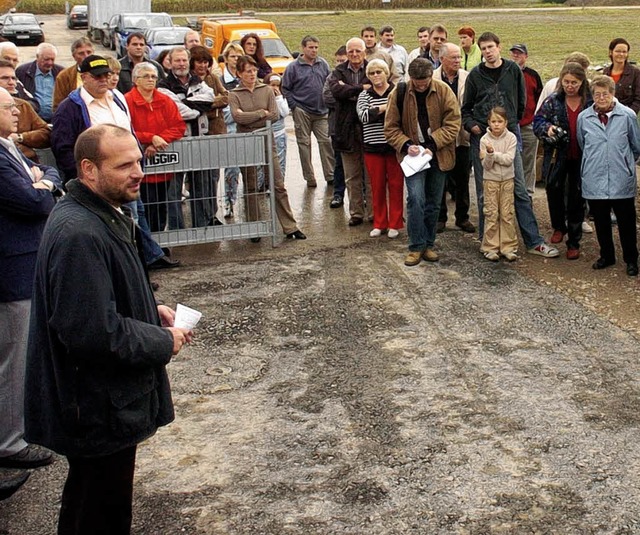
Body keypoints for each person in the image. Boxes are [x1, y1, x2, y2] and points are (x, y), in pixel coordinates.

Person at [24, 124, 194, 534]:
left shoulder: (101, 214)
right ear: (89, 170)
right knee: (99, 509)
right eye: (124, 166)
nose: (138, 172)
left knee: (94, 499)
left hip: (103, 402)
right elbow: (91, 331)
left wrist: (149, 308)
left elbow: (101, 293)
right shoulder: (80, 232)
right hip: (96, 406)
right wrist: (162, 341)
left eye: (138, 160)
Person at [51, 54, 178, 271]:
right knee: (121, 226)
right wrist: (86, 182)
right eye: (98, 76)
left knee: (136, 218)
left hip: (127, 175)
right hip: (101, 183)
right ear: (84, 78)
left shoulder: (117, 97)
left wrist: (137, 164)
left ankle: (144, 263)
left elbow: (129, 131)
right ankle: (136, 267)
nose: (104, 80)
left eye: (107, 75)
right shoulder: (70, 108)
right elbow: (63, 148)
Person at [0, 86, 59, 478]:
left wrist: (43, 179)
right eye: (8, 107)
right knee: (13, 358)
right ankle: (9, 442)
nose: (17, 112)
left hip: (25, 264)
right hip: (12, 272)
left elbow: (48, 173)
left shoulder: (8, 147)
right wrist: (42, 186)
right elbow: (33, 202)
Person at [461, 31, 559, 258]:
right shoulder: (475, 75)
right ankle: (489, 242)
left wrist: (511, 124)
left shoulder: (512, 70)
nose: (488, 52)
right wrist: (473, 126)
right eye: (483, 48)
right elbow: (466, 109)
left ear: (499, 47)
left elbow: (522, 100)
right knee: (486, 191)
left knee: (519, 190)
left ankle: (533, 242)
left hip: (509, 134)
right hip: (483, 138)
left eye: (491, 47)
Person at [384, 58, 460, 266]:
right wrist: (407, 144)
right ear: (410, 78)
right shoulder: (398, 93)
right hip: (413, 159)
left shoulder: (443, 91)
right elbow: (390, 128)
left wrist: (434, 144)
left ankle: (428, 244)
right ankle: (415, 246)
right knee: (415, 199)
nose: (421, 85)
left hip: (438, 155)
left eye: (425, 81)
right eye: (417, 82)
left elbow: (454, 123)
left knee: (434, 203)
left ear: (430, 76)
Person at [228, 55, 306, 241]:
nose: (252, 74)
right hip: (246, 140)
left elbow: (273, 114)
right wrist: (258, 113)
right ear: (239, 73)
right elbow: (237, 117)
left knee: (277, 182)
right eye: (248, 71)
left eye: (254, 70)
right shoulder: (234, 94)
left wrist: (251, 116)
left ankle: (289, 226)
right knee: (251, 184)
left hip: (266, 137)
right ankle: (255, 227)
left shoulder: (266, 90)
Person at [577, 75, 640, 276]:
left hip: (621, 178)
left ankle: (631, 259)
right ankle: (607, 255)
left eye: (605, 94)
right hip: (595, 177)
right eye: (597, 94)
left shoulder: (628, 115)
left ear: (613, 94)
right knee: (601, 221)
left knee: (626, 222)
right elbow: (582, 144)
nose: (601, 98)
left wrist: (624, 162)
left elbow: (635, 146)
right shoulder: (584, 118)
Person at [534, 62, 592, 260]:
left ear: (582, 82)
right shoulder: (553, 100)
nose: (569, 86)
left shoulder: (589, 101)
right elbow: (538, 121)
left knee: (577, 196)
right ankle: (559, 226)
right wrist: (547, 129)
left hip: (583, 156)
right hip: (557, 155)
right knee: (553, 188)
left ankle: (574, 240)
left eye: (574, 82)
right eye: (566, 82)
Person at [157, 46, 215, 229]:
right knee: (174, 190)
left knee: (201, 186)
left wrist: (185, 103)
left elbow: (209, 99)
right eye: (177, 60)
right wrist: (197, 108)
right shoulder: (163, 86)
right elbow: (176, 112)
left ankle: (201, 226)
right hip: (176, 142)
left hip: (199, 140)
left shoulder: (199, 81)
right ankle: (177, 229)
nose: (181, 64)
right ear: (170, 63)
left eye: (184, 60)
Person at [126, 62, 185, 232]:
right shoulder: (127, 101)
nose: (151, 80)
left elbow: (178, 126)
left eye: (153, 76)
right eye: (146, 76)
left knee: (160, 209)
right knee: (143, 210)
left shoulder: (165, 100)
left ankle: (160, 243)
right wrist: (150, 138)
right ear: (136, 80)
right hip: (138, 169)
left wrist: (158, 141)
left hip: (163, 167)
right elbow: (125, 129)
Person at [356, 59, 403, 239]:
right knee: (376, 187)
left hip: (394, 146)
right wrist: (385, 107)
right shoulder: (364, 95)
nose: (376, 76)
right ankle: (379, 222)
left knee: (396, 186)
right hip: (372, 147)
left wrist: (377, 110)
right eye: (372, 73)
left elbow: (399, 113)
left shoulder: (396, 91)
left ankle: (395, 223)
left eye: (379, 72)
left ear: (386, 73)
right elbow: (365, 116)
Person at [328, 37, 371, 227]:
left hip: (369, 130)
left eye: (358, 51)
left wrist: (349, 90)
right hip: (345, 131)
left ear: (364, 52)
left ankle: (373, 212)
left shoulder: (372, 69)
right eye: (351, 51)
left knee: (370, 176)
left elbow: (375, 91)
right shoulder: (337, 71)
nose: (354, 54)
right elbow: (336, 92)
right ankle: (356, 213)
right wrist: (360, 88)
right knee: (351, 176)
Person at [282, 35, 334, 188]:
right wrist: (294, 106)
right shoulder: (293, 67)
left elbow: (329, 83)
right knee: (304, 145)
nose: (314, 50)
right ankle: (309, 178)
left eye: (316, 47)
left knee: (326, 142)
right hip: (302, 110)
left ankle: (330, 175)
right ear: (303, 48)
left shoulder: (323, 64)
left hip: (321, 111)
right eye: (311, 47)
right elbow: (285, 88)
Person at [433, 43, 475, 234]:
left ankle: (462, 217)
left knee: (462, 179)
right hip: (440, 138)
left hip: (462, 137)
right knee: (439, 178)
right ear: (442, 59)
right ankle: (440, 218)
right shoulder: (432, 78)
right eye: (454, 58)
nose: (458, 60)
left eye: (459, 57)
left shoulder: (468, 77)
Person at [480, 107, 518, 262]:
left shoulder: (511, 138)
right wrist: (489, 155)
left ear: (505, 122)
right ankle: (490, 247)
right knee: (491, 213)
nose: (496, 125)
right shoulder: (484, 140)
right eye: (493, 121)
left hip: (507, 180)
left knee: (507, 213)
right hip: (490, 180)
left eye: (500, 121)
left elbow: (509, 160)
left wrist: (492, 153)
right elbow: (486, 165)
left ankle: (508, 246)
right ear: (489, 122)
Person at [0, 60, 50, 163]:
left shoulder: (23, 106)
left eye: (14, 78)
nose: (11, 82)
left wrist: (20, 137)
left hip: (29, 164)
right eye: (5, 78)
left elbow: (46, 133)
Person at [509, 44, 542, 197]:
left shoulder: (533, 75)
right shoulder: (505, 72)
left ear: (526, 56)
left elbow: (539, 99)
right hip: (509, 126)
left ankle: (527, 193)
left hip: (528, 125)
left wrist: (536, 120)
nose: (516, 56)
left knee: (528, 161)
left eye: (519, 54)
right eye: (514, 53)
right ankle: (512, 193)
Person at [220, 43, 244, 218]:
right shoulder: (221, 81)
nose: (236, 60)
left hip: (246, 130)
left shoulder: (245, 79)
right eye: (233, 56)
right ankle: (229, 202)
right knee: (232, 170)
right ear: (226, 58)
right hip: (229, 130)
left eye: (238, 56)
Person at [323, 46, 348, 210]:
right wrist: (348, 95)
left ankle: (364, 195)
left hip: (356, 127)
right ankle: (338, 194)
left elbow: (363, 95)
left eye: (342, 60)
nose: (339, 63)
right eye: (337, 60)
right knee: (339, 162)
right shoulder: (332, 76)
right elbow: (326, 97)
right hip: (337, 126)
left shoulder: (358, 75)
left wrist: (342, 91)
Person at [16, 42, 64, 122]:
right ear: (37, 57)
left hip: (57, 119)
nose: (50, 63)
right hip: (33, 119)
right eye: (46, 59)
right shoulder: (22, 72)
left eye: (52, 59)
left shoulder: (61, 72)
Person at [53, 37, 94, 111]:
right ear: (74, 56)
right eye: (81, 53)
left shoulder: (104, 73)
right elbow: (58, 106)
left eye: (89, 52)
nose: (86, 56)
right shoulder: (64, 76)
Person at [602, 38, 640, 114]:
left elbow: (638, 99)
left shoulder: (635, 73)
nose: (621, 54)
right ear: (611, 52)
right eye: (618, 51)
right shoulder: (605, 72)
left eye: (624, 52)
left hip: (627, 116)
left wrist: (628, 114)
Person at [0, 43, 39, 113]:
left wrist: (16, 105)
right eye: (7, 58)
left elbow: (34, 103)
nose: (11, 63)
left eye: (14, 60)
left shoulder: (17, 83)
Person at [264, 72, 289, 177]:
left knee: (279, 162)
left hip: (279, 134)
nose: (274, 88)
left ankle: (279, 184)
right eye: (272, 85)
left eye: (277, 85)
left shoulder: (281, 98)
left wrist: (279, 98)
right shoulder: (263, 97)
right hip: (266, 133)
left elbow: (285, 112)